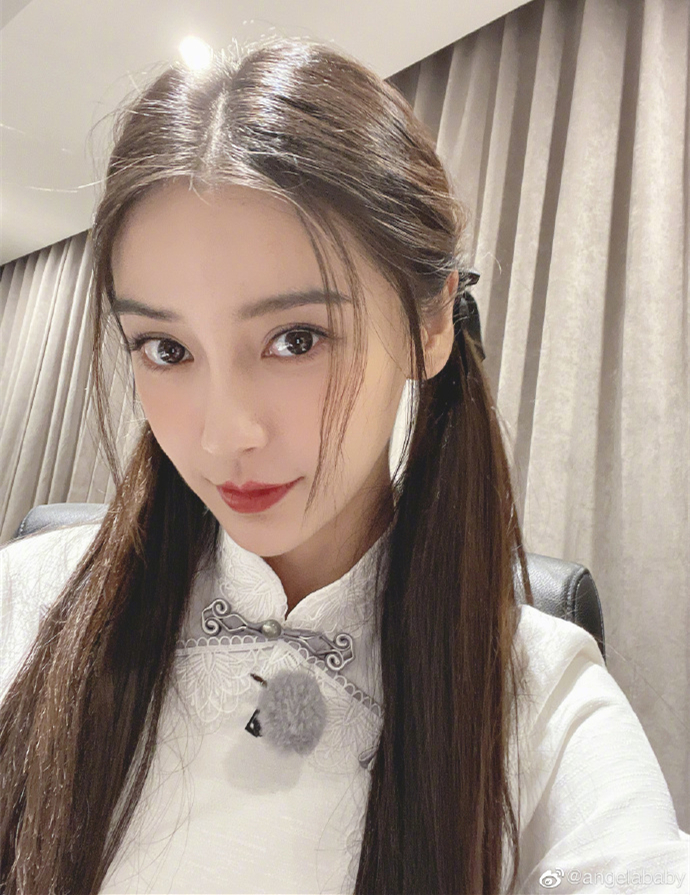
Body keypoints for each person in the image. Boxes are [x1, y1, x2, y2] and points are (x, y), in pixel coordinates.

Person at [0, 35, 687, 895]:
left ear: (430, 325)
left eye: (297, 338)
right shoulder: (29, 601)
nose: (224, 435)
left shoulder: (536, 700)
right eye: (166, 348)